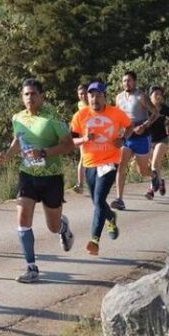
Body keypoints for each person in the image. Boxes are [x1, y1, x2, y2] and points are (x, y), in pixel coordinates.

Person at [0, 79, 75, 283]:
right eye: (26, 94)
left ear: (42, 96)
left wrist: (45, 152)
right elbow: (17, 141)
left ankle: (63, 228)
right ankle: (31, 267)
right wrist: (7, 155)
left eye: (33, 94)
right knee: (22, 220)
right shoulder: (18, 118)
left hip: (51, 177)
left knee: (53, 226)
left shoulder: (52, 118)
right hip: (27, 175)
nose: (29, 98)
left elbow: (68, 146)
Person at [70, 82, 132, 255]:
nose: (94, 99)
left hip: (110, 161)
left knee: (98, 200)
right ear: (87, 98)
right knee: (97, 202)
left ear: (105, 97)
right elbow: (72, 141)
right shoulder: (80, 116)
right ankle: (111, 217)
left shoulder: (116, 113)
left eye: (98, 95)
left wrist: (123, 139)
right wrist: (84, 139)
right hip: (90, 163)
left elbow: (130, 126)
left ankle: (94, 240)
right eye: (91, 95)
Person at [111, 71, 156, 209]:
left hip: (141, 137)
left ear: (135, 82)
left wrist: (144, 125)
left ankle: (154, 176)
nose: (126, 83)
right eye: (124, 81)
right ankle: (119, 199)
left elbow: (155, 113)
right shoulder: (118, 98)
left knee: (143, 171)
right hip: (126, 136)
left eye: (129, 80)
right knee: (121, 166)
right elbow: (116, 116)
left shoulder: (141, 96)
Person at [146, 85, 168, 198]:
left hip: (163, 140)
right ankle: (160, 181)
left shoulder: (165, 109)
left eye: (160, 94)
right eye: (156, 94)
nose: (159, 96)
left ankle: (151, 189)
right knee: (153, 166)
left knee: (154, 163)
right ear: (150, 96)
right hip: (149, 141)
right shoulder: (145, 109)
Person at [72, 84, 89, 193]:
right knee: (82, 159)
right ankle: (80, 185)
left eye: (84, 93)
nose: (83, 96)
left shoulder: (94, 103)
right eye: (80, 94)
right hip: (84, 136)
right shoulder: (80, 105)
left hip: (96, 136)